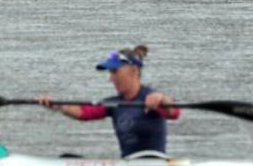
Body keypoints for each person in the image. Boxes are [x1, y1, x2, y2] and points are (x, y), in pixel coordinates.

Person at [38, 45, 180, 158]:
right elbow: (84, 112)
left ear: (134, 71)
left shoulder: (150, 98)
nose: (110, 79)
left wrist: (162, 99)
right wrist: (58, 105)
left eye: (114, 72)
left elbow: (174, 112)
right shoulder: (114, 104)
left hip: (155, 163)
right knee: (67, 158)